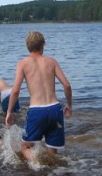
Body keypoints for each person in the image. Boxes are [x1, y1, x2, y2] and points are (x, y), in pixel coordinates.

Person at [6, 31, 72, 162]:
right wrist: (69, 105)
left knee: (25, 147)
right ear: (43, 45)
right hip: (55, 109)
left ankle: (37, 165)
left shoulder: (23, 63)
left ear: (27, 47)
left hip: (37, 110)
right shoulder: (52, 61)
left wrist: (9, 111)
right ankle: (52, 171)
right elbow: (67, 85)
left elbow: (15, 91)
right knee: (52, 151)